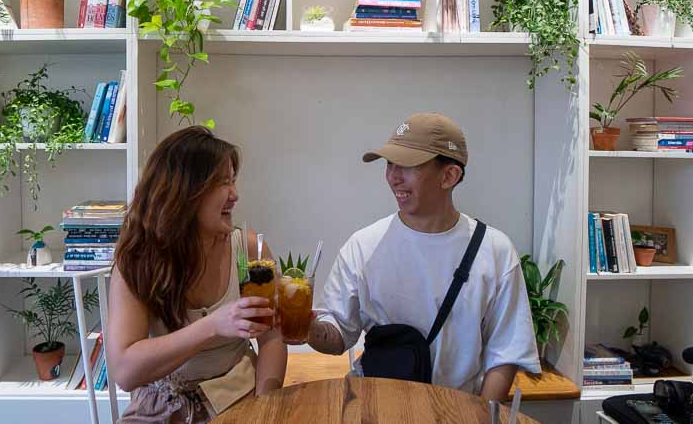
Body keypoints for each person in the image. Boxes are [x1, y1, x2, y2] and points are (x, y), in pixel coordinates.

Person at [307, 112, 540, 400]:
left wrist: (478, 416)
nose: (393, 177)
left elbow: (505, 354)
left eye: (407, 165)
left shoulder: (495, 251)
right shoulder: (363, 246)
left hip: (456, 410)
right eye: (390, 164)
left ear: (449, 175)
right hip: (373, 406)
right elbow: (338, 334)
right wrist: (303, 326)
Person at [108, 126, 287, 422]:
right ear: (185, 192)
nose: (235, 195)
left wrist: (266, 402)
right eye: (224, 183)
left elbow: (272, 338)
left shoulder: (249, 249)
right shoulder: (138, 261)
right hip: (159, 409)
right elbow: (125, 372)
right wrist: (213, 325)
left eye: (234, 181)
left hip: (239, 398)